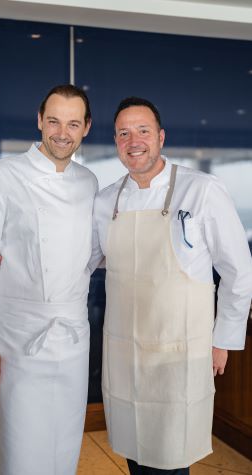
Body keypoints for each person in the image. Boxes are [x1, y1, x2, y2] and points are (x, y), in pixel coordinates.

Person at [90, 97, 252, 475]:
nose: (134, 141)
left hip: (180, 350)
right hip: (124, 352)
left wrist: (222, 339)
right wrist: (13, 259)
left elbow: (239, 271)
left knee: (171, 456)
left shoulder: (201, 190)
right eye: (124, 133)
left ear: (161, 137)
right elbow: (84, 261)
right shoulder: (105, 201)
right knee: (134, 450)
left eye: (143, 131)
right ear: (116, 141)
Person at [0, 84, 98, 475]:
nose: (61, 132)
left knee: (65, 445)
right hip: (19, 339)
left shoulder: (89, 182)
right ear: (39, 121)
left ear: (85, 128)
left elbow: (94, 254)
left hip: (72, 337)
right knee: (17, 447)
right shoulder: (3, 175)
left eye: (72, 123)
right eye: (53, 121)